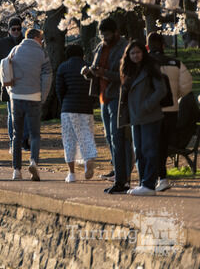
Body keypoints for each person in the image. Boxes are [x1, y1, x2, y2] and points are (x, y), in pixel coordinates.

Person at [81, 18, 131, 194]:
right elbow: (96, 68)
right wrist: (89, 72)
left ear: (116, 32)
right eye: (102, 35)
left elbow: (125, 74)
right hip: (103, 97)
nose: (104, 38)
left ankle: (122, 180)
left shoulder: (125, 47)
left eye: (107, 34)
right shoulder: (100, 47)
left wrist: (105, 74)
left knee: (118, 139)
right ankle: (119, 173)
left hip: (117, 97)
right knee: (110, 139)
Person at [118, 40, 168, 196]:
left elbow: (161, 90)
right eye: (132, 53)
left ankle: (148, 184)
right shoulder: (128, 70)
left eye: (138, 52)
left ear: (143, 52)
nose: (135, 55)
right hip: (135, 116)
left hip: (150, 115)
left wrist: (147, 105)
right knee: (138, 150)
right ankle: (143, 183)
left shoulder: (151, 67)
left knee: (149, 149)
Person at [147, 31, 194, 191]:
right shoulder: (175, 63)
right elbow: (187, 86)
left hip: (151, 110)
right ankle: (162, 177)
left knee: (152, 144)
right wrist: (175, 95)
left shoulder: (145, 62)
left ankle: (156, 177)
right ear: (163, 45)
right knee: (164, 143)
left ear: (148, 46)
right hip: (172, 110)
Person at [2, 27, 51, 180]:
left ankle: (16, 170)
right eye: (41, 39)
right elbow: (47, 76)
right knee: (35, 134)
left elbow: (6, 69)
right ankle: (34, 161)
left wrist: (10, 92)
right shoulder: (42, 54)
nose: (42, 42)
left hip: (16, 97)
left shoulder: (15, 50)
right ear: (36, 38)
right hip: (34, 97)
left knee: (17, 134)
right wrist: (42, 96)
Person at [55, 43, 97, 182]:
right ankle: (88, 160)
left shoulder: (63, 67)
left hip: (68, 107)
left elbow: (60, 89)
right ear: (82, 54)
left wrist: (63, 103)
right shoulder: (88, 67)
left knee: (69, 140)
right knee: (86, 134)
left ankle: (71, 173)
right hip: (86, 107)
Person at [0, 17, 25, 153]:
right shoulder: (2, 43)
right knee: (11, 114)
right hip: (9, 85)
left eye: (18, 29)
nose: (16, 31)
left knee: (24, 115)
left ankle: (22, 142)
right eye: (13, 29)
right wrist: (2, 76)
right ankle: (13, 142)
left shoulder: (25, 43)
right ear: (9, 30)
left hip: (24, 82)